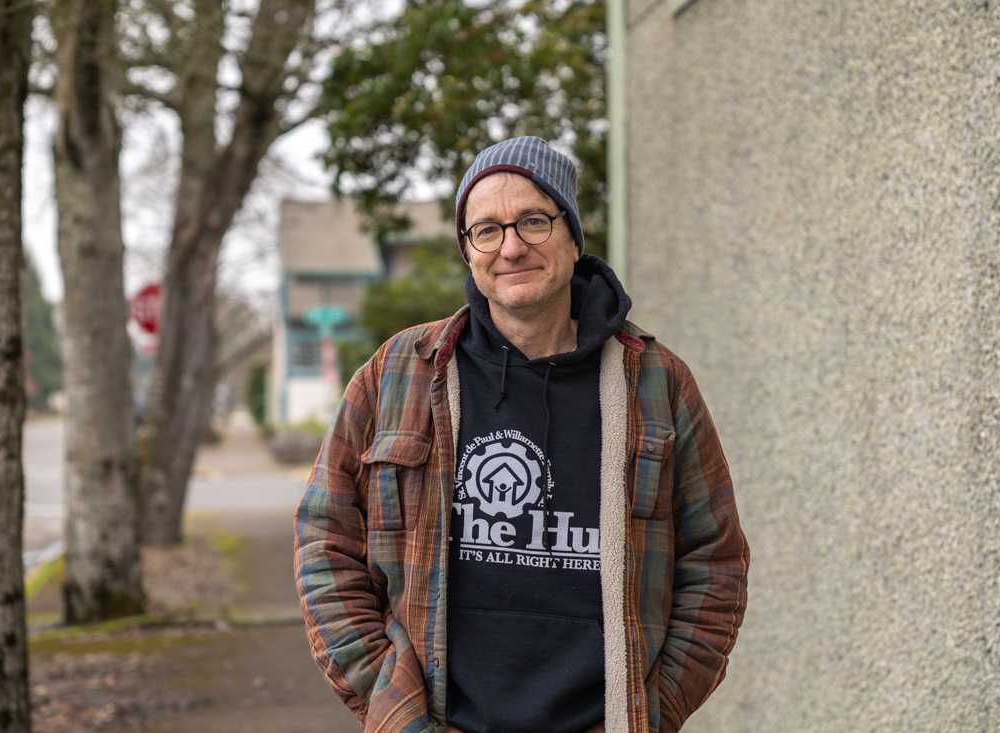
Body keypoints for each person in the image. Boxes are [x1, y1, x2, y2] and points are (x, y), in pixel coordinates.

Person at [294, 136, 749, 733]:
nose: (510, 247)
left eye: (533, 221)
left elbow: (715, 565)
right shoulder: (396, 372)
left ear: (571, 234)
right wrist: (392, 706)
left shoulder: (656, 382)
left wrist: (651, 712)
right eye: (486, 230)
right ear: (467, 249)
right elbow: (325, 542)